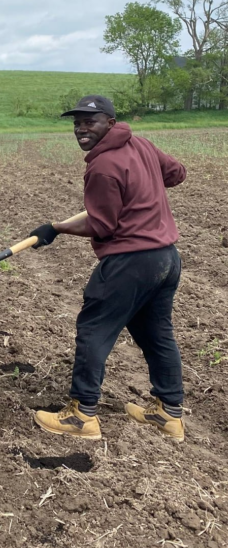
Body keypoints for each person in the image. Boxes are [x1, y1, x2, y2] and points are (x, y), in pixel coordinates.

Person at [28, 95, 187, 442]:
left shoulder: (101, 166)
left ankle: (82, 415)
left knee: (93, 330)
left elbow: (101, 226)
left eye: (90, 121)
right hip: (166, 258)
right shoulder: (141, 144)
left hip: (130, 262)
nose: (81, 129)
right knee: (156, 333)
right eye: (77, 123)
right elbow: (176, 173)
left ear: (111, 124)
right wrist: (146, 189)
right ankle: (169, 413)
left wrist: (57, 228)